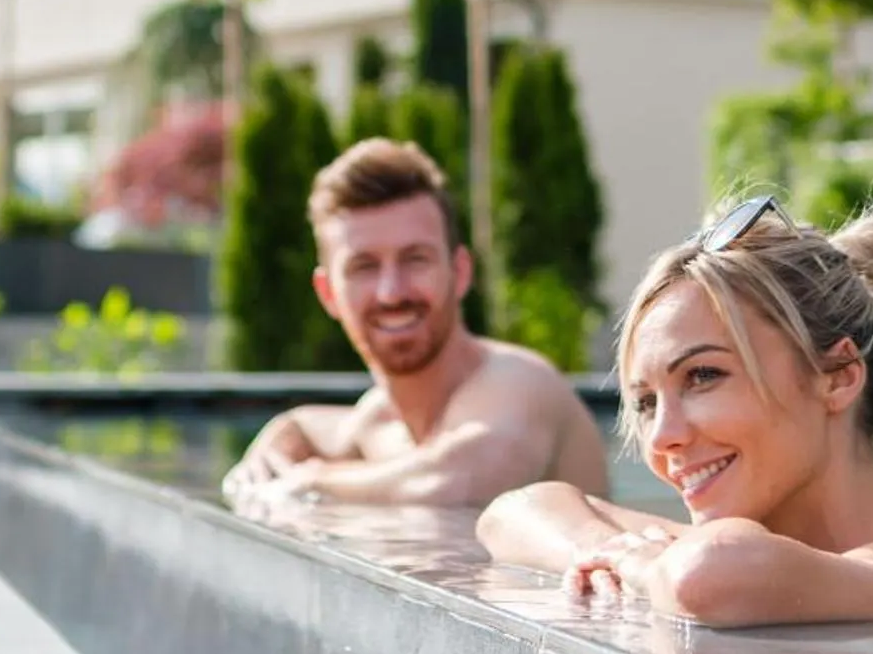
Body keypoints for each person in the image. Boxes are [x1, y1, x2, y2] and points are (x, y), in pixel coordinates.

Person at [478, 194, 873, 628]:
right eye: (646, 402)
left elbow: (703, 580)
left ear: (837, 376)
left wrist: (640, 563)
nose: (661, 437)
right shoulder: (712, 550)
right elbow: (514, 511)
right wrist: (602, 549)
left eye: (703, 376)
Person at [223, 137, 609, 509]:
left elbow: (459, 481)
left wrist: (311, 481)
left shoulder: (521, 382)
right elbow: (312, 425)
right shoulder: (375, 423)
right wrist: (282, 428)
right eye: (364, 267)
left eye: (415, 259)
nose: (391, 292)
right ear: (328, 294)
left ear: (460, 272)